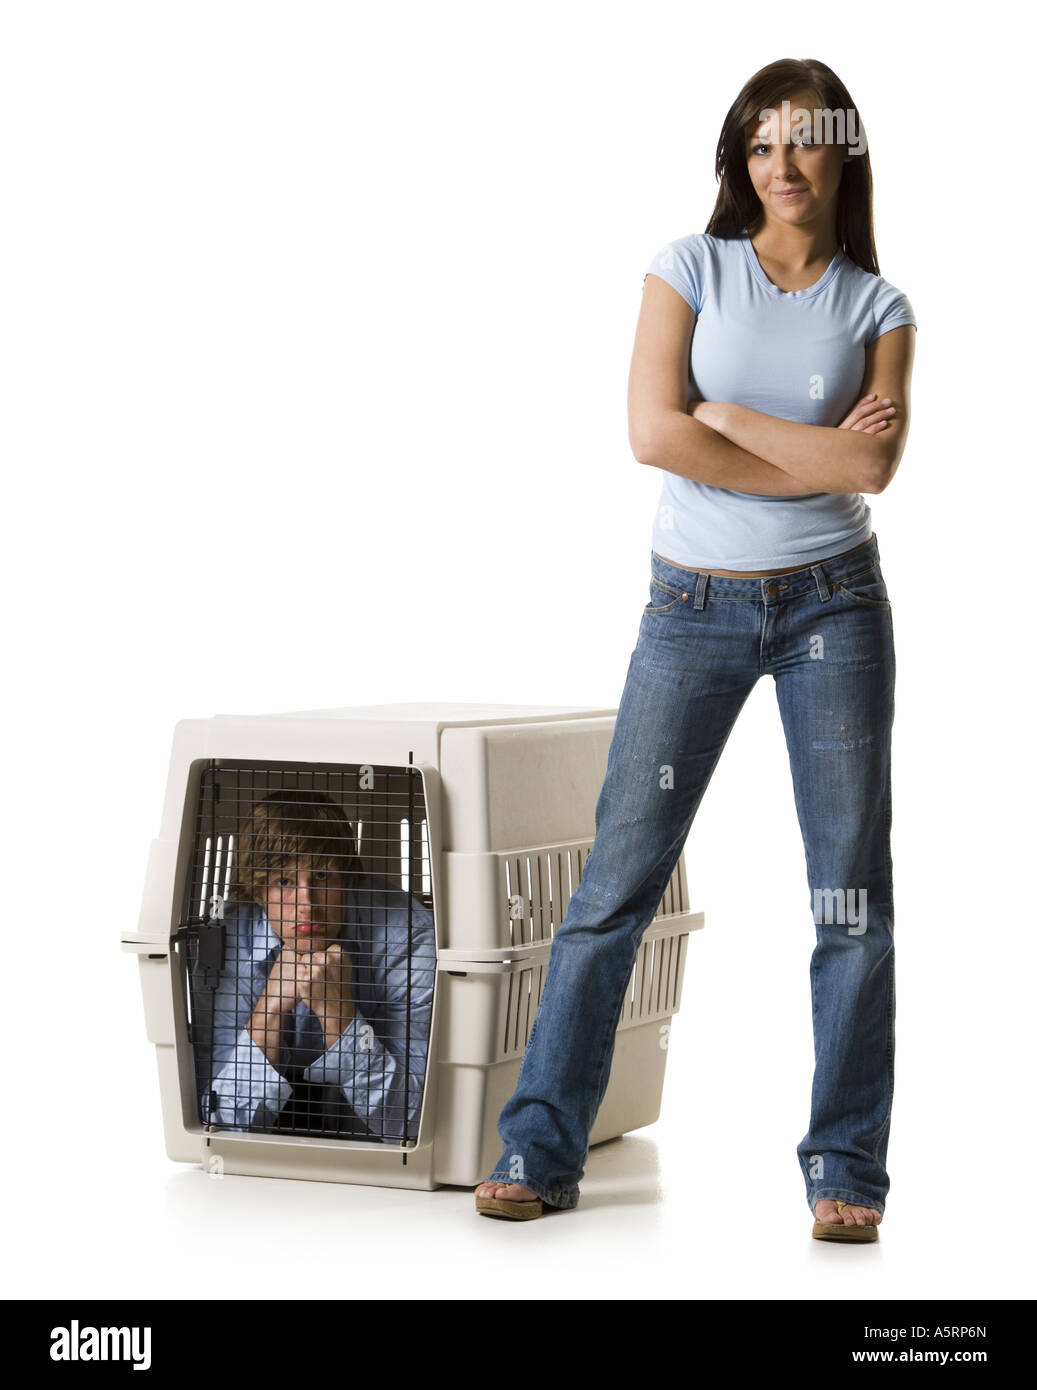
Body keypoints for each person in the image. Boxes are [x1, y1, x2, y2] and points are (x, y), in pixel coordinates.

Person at [475, 58, 916, 1241]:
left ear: (840, 156)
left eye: (805, 142)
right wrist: (785, 446)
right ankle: (537, 1142)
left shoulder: (877, 307)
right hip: (692, 608)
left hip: (833, 609)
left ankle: (844, 1173)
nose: (783, 164)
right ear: (740, 157)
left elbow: (868, 470)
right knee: (617, 881)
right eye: (761, 143)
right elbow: (647, 433)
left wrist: (725, 418)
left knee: (847, 898)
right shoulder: (689, 267)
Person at [190, 788, 436, 1143]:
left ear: (348, 881)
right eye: (284, 882)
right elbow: (218, 1124)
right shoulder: (229, 938)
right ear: (258, 891)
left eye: (322, 877)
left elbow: (412, 1124)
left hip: (366, 1144)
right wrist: (268, 1012)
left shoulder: (406, 933)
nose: (306, 903)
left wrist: (339, 1014)